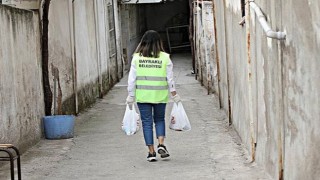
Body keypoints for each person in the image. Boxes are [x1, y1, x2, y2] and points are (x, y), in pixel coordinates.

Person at [126, 30, 181, 162]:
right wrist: (174, 94)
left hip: (143, 96)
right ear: (158, 42)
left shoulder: (137, 57)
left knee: (147, 123)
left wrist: (130, 95)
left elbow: (131, 79)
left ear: (143, 42)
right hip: (160, 96)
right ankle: (161, 144)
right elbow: (170, 79)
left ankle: (151, 153)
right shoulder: (165, 57)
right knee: (160, 120)